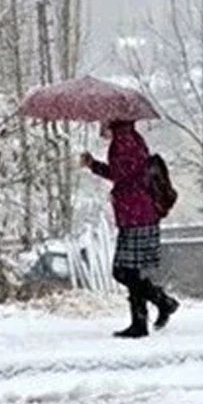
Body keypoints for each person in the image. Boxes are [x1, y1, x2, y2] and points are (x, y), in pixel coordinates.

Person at [80, 120, 179, 338]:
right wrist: (94, 165)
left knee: (122, 271)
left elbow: (121, 175)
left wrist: (93, 165)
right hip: (138, 214)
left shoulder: (123, 142)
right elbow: (125, 173)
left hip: (136, 215)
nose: (101, 125)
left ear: (112, 120)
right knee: (130, 271)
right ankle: (142, 321)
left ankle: (162, 304)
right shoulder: (132, 138)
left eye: (103, 121)